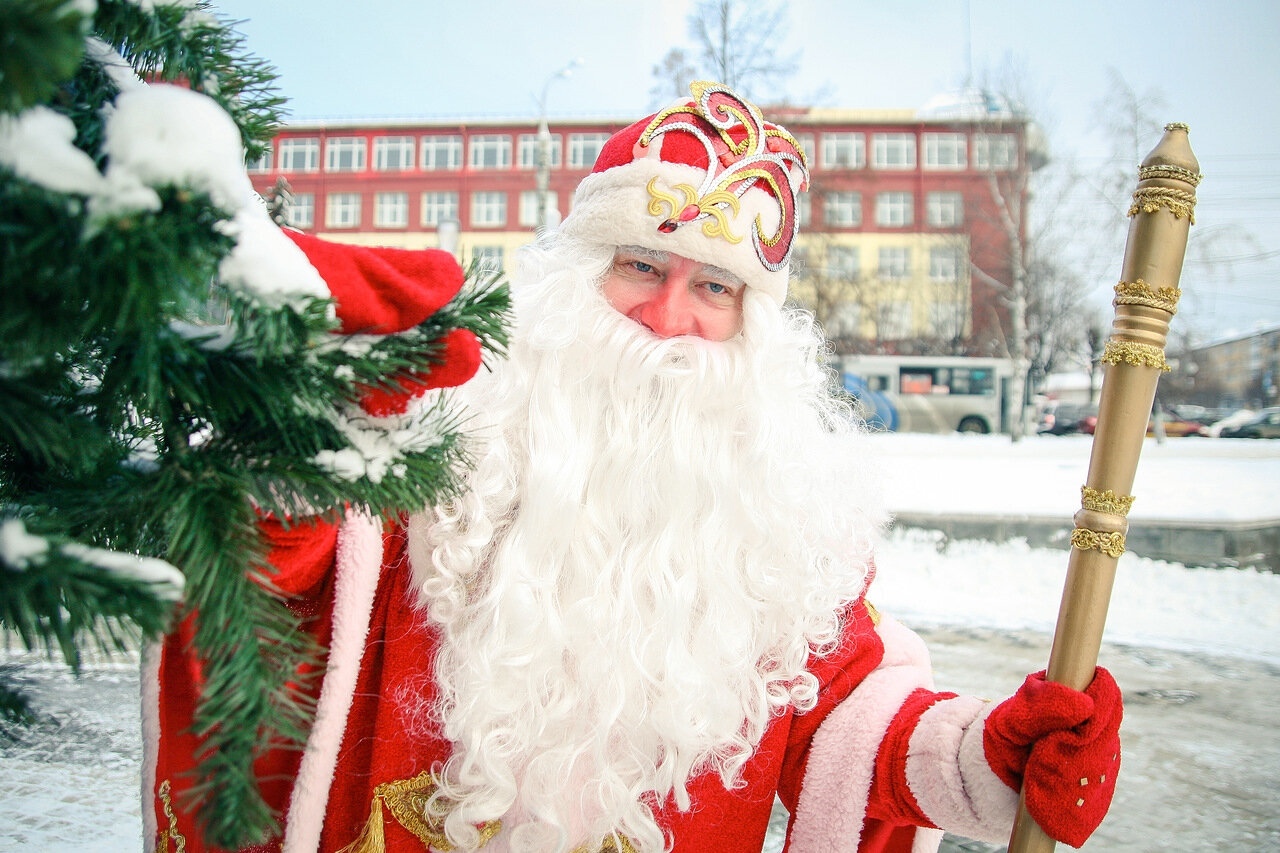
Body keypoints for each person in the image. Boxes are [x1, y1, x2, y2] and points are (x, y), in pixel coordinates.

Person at [146, 82, 1122, 853]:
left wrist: (982, 761)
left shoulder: (786, 524)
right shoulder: (446, 449)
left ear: (752, 327)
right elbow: (263, 586)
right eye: (640, 268)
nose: (666, 319)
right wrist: (295, 409)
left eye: (712, 286)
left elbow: (846, 730)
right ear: (574, 280)